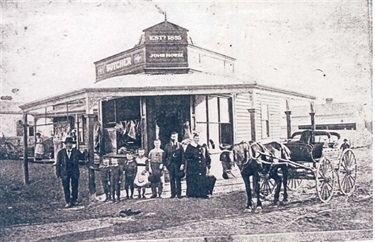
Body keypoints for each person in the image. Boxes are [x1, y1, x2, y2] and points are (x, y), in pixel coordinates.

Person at [55, 137, 85, 208]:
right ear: (65, 144)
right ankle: (68, 201)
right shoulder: (61, 153)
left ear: (72, 144)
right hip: (65, 172)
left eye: (70, 143)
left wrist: (85, 152)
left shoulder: (76, 151)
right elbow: (58, 163)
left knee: (75, 186)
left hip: (74, 171)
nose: (68, 145)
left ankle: (74, 200)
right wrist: (58, 172)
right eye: (67, 143)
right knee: (66, 186)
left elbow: (82, 157)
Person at [184, 132, 211, 198]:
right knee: (193, 180)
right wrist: (192, 157)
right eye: (195, 138)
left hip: (202, 166)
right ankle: (192, 194)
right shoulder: (190, 147)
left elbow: (207, 157)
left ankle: (202, 194)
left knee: (201, 180)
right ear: (193, 139)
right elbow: (186, 156)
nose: (197, 140)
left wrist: (208, 166)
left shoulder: (203, 146)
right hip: (193, 167)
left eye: (198, 138)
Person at [164, 132, 184, 198]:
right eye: (173, 136)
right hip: (170, 164)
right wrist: (165, 165)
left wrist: (182, 164)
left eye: (175, 137)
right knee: (171, 179)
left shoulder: (180, 146)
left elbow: (182, 156)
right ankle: (173, 194)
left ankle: (179, 194)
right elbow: (164, 156)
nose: (174, 138)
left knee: (178, 179)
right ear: (171, 137)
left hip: (177, 164)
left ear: (177, 137)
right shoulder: (167, 146)